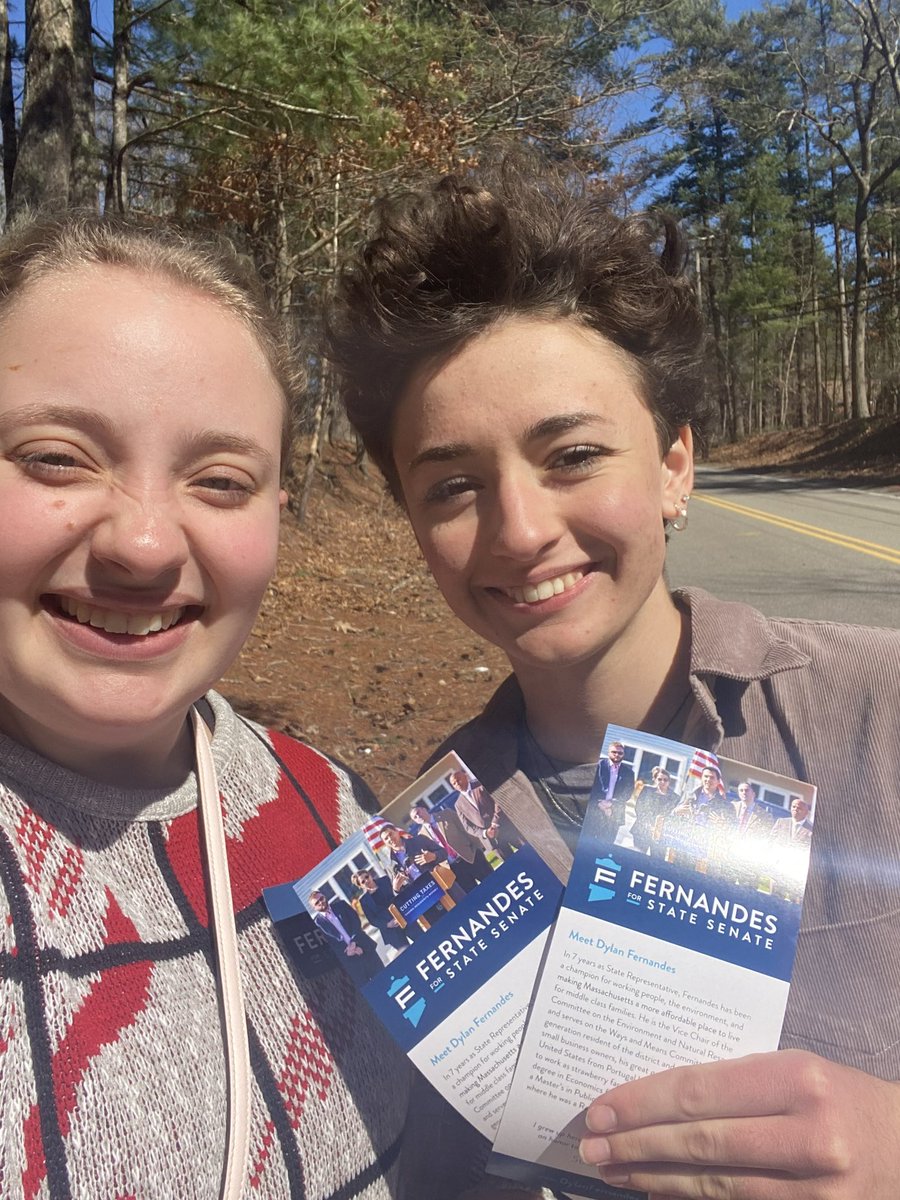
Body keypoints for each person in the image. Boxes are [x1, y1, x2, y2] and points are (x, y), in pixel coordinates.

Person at [327, 154, 900, 1197]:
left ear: (675, 464)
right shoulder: (422, 851)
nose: (521, 529)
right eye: (454, 484)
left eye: (574, 455)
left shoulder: (880, 710)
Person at [0, 213, 476, 1200]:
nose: (142, 545)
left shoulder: (339, 810)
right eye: (54, 458)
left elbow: (487, 1142)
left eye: (220, 481)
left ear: (273, 514)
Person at [409, 799, 491, 890]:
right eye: (415, 817)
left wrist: (478, 848)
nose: (418, 816)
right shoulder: (421, 836)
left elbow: (465, 829)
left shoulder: (446, 814)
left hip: (471, 856)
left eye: (418, 812)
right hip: (454, 869)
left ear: (424, 809)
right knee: (478, 896)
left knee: (494, 882)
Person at [309, 889, 383, 983]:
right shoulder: (317, 924)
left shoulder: (341, 905)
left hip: (365, 949)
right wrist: (348, 952)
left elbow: (356, 922)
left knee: (383, 977)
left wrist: (353, 944)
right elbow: (329, 946)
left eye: (321, 898)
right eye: (317, 903)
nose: (321, 902)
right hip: (350, 962)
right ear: (314, 908)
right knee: (368, 988)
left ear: (325, 897)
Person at [450, 767, 523, 859]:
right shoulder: (458, 805)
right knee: (513, 867)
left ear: (465, 776)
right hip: (491, 841)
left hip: (506, 827)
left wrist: (494, 823)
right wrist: (485, 833)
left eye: (458, 780)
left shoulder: (480, 784)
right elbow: (467, 826)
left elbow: (498, 801)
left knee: (530, 852)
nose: (457, 784)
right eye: (454, 784)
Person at [352, 866, 417, 951]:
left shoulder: (385, 880)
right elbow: (372, 920)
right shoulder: (364, 901)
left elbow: (399, 894)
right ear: (360, 886)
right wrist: (387, 924)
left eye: (366, 877)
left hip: (404, 918)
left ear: (370, 875)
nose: (366, 881)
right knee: (408, 954)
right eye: (363, 882)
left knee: (423, 940)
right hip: (391, 931)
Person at [630, 765, 679, 854]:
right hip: (642, 830)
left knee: (656, 862)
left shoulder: (675, 798)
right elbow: (639, 807)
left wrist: (657, 827)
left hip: (661, 835)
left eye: (665, 779)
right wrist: (649, 825)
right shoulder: (646, 790)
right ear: (655, 779)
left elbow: (673, 816)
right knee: (637, 858)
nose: (662, 782)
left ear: (669, 781)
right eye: (659, 779)